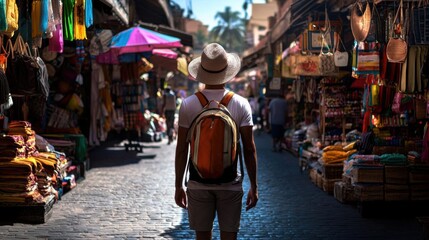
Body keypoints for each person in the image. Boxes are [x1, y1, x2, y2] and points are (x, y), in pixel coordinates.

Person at [174, 43, 258, 240]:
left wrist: (178, 185)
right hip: (230, 184)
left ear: (201, 72)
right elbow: (249, 148)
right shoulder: (240, 103)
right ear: (227, 72)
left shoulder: (188, 105)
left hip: (197, 183)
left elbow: (181, 150)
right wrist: (254, 186)